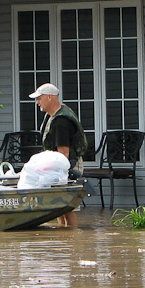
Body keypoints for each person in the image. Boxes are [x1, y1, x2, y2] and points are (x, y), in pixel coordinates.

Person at [30, 83, 88, 228]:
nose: (37, 102)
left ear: (49, 97)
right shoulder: (54, 115)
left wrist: (55, 174)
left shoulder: (61, 121)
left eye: (39, 98)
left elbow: (64, 154)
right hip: (60, 165)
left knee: (67, 208)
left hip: (68, 165)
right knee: (59, 208)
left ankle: (73, 239)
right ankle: (64, 240)